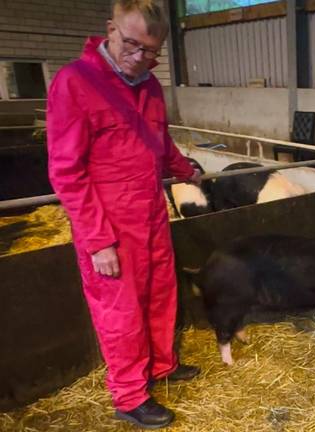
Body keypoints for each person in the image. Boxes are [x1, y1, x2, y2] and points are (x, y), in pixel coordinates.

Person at [47, 1, 201, 428]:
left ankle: (161, 365)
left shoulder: (149, 86)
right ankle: (130, 395)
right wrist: (97, 239)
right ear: (111, 30)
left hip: (150, 210)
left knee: (160, 292)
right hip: (109, 220)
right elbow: (66, 172)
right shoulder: (74, 83)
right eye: (131, 45)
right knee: (120, 310)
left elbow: (160, 142)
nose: (140, 58)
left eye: (151, 52)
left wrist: (188, 170)